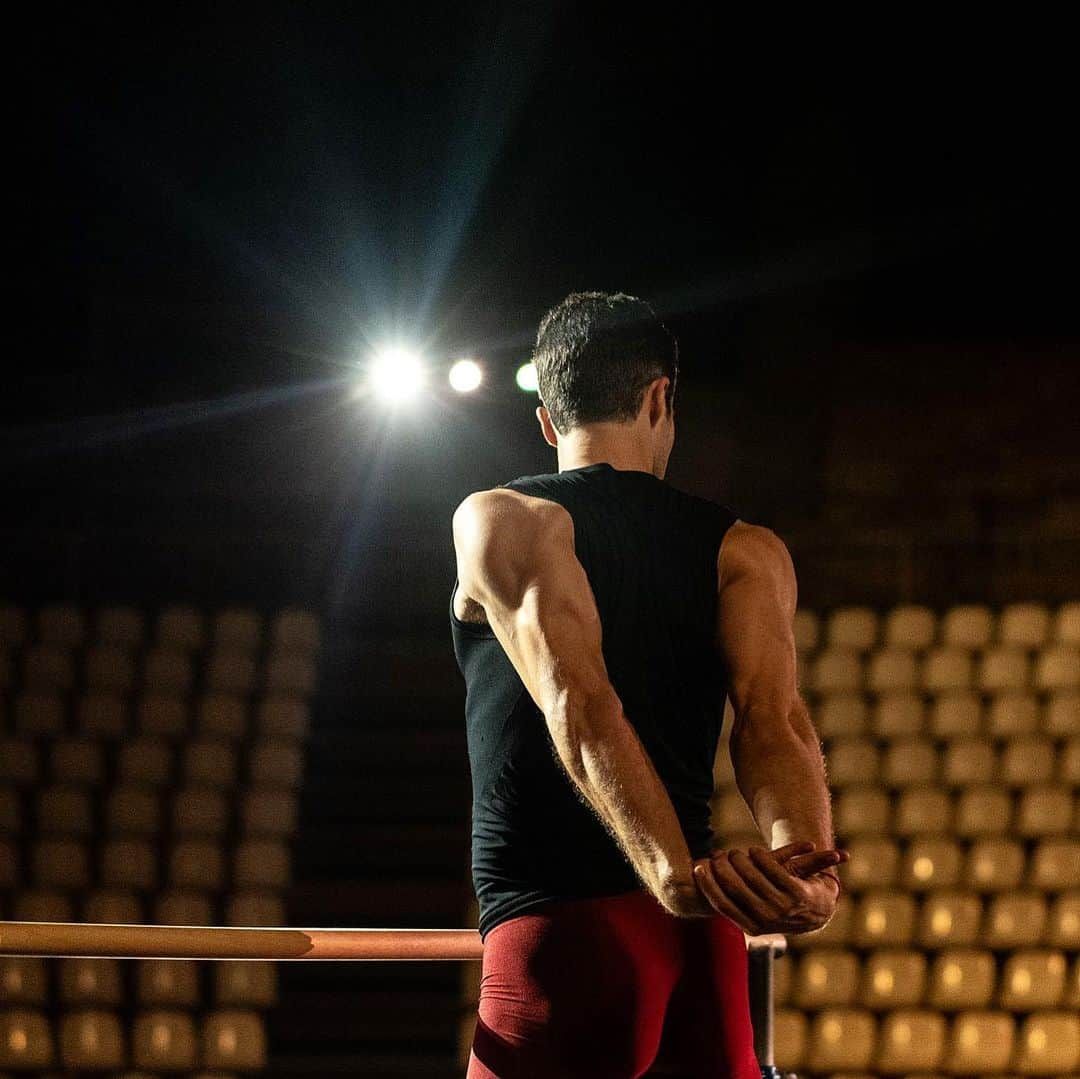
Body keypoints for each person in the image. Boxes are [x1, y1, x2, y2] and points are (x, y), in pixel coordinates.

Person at [450, 291, 848, 1078]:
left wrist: (669, 874)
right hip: (705, 943)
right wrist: (811, 873)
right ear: (661, 397)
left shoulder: (504, 519)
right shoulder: (747, 551)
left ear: (547, 419)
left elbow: (581, 703)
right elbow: (774, 724)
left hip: (568, 935)